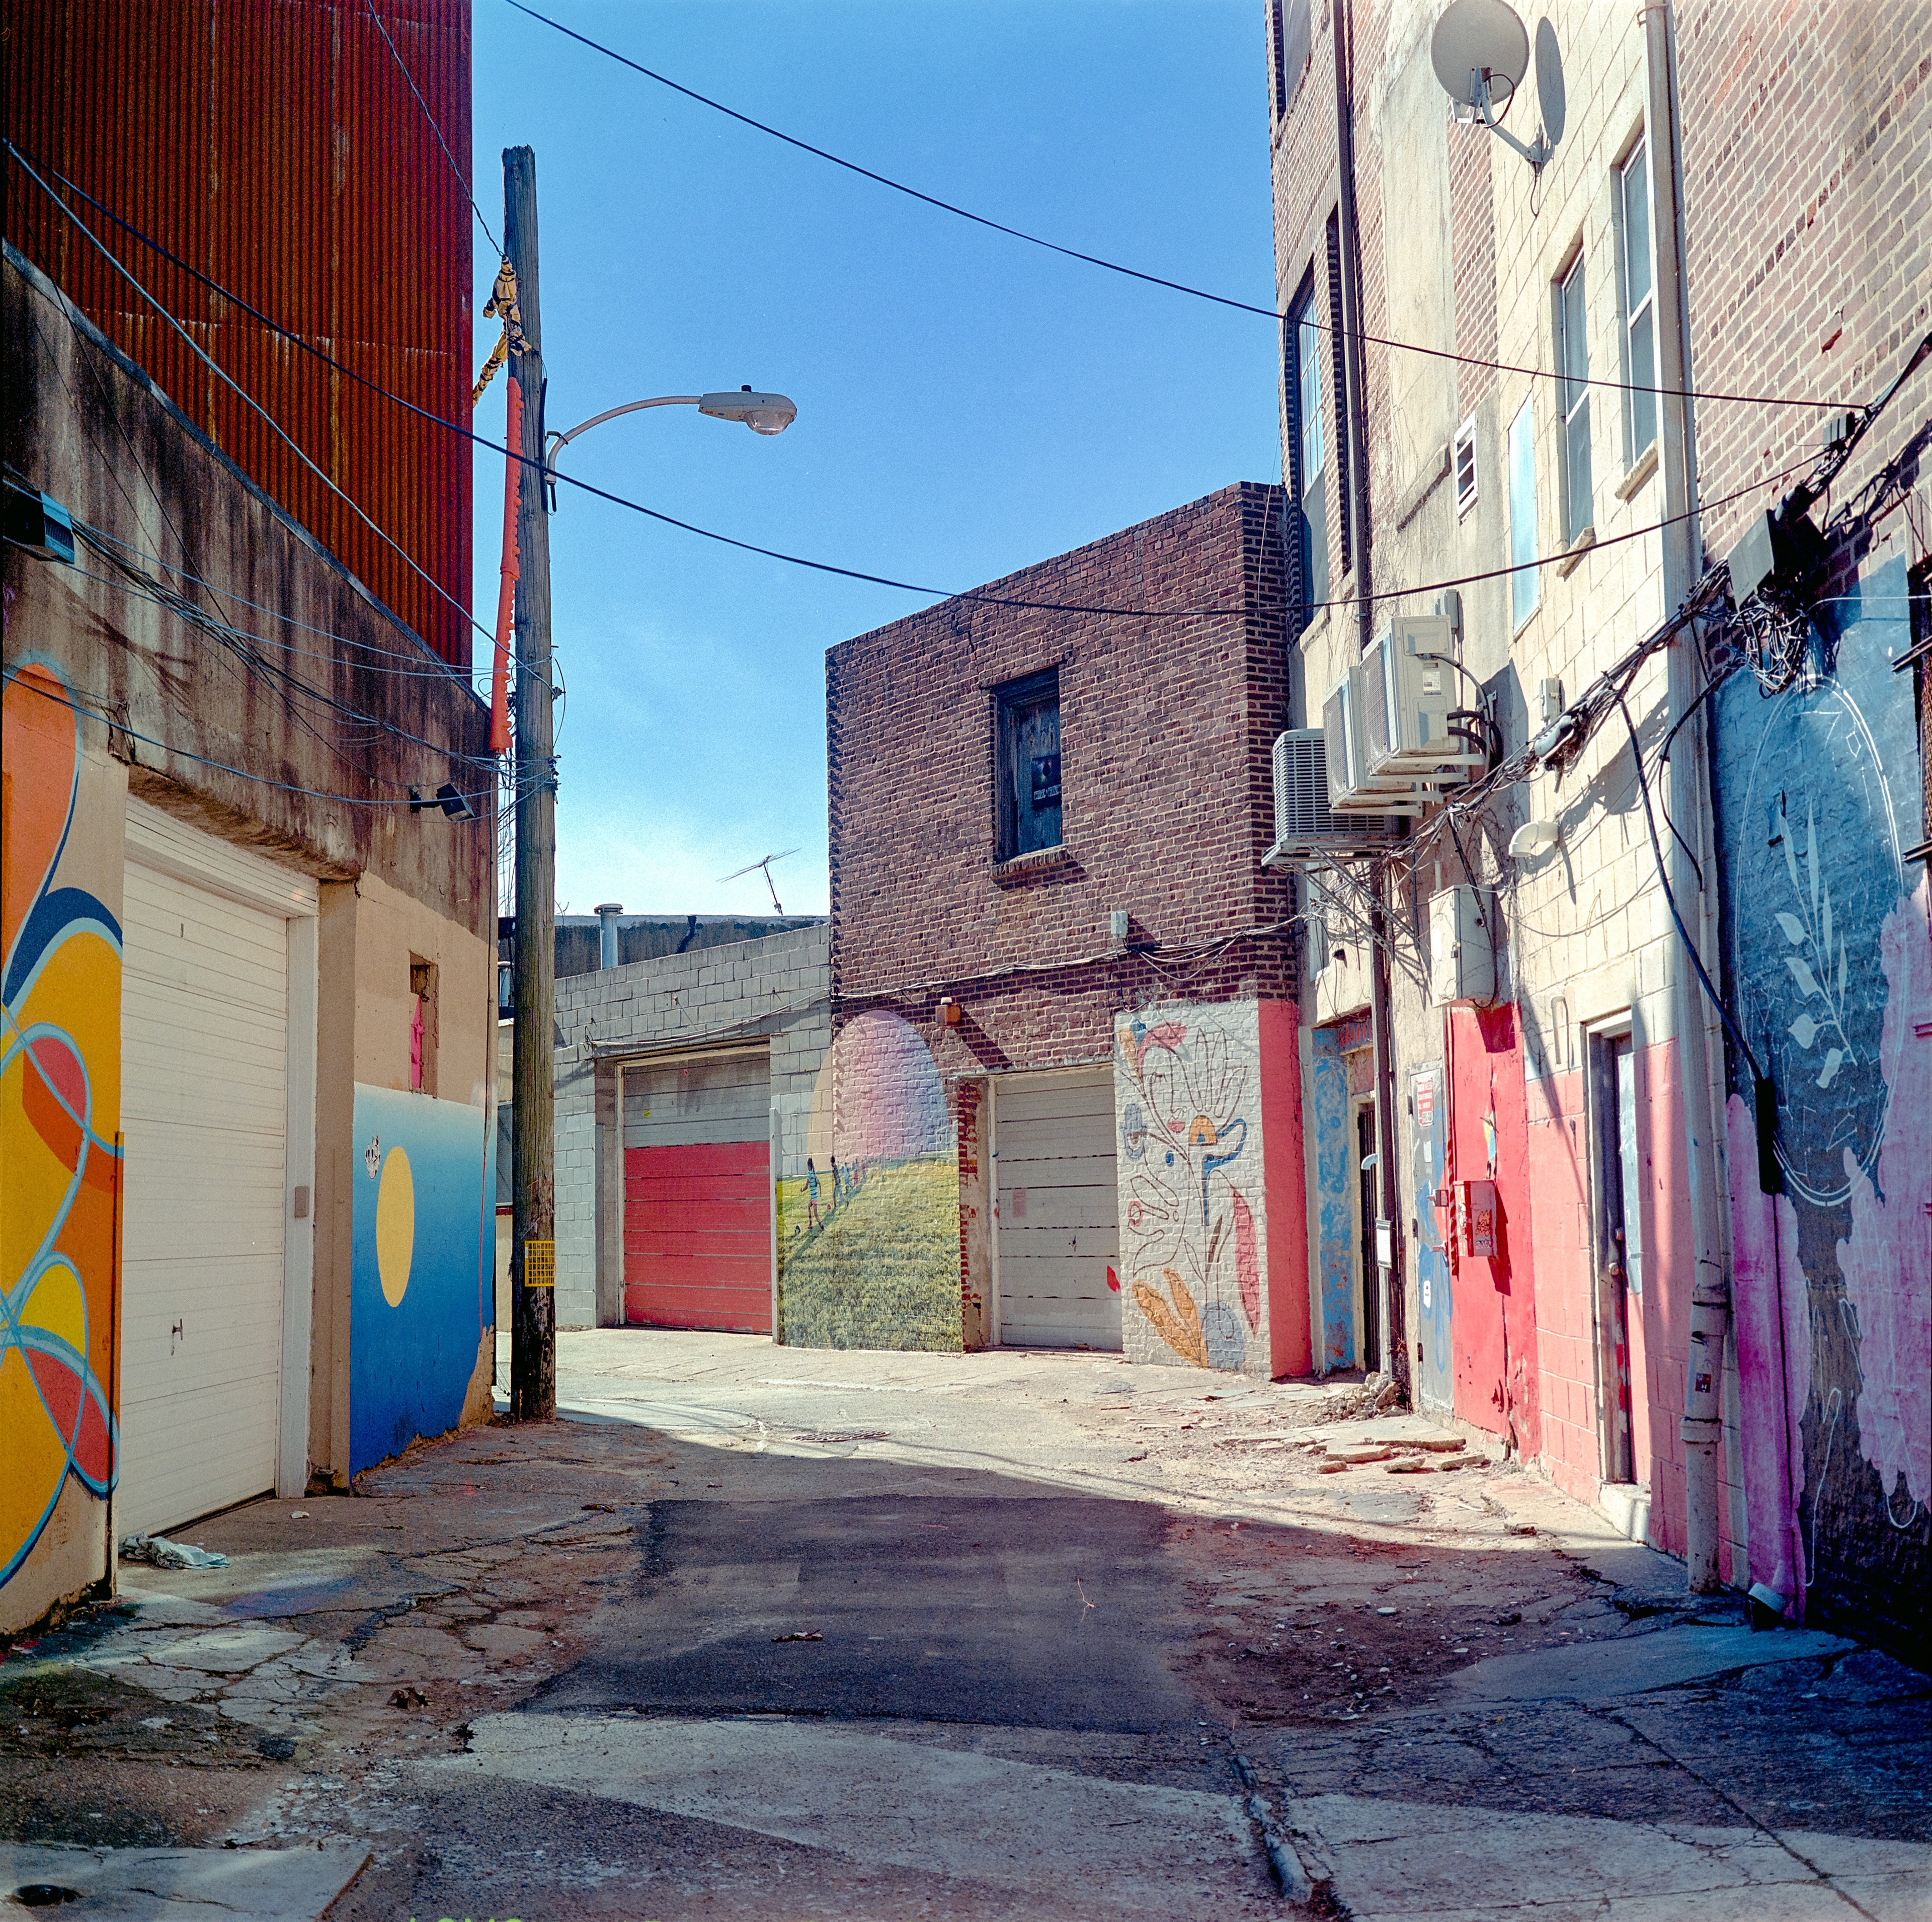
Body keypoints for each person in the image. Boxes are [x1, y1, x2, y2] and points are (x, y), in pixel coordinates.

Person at [806, 1157, 821, 1230]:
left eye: (808, 1166)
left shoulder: (809, 1175)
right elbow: (819, 1183)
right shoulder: (814, 1174)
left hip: (814, 1198)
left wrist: (802, 1190)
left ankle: (822, 1226)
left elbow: (806, 1186)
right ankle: (810, 1224)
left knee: (816, 1214)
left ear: (809, 1166)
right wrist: (820, 1193)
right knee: (809, 1207)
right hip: (814, 1197)